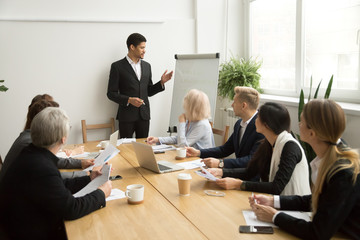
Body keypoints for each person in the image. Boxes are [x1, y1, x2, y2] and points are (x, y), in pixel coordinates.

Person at [249, 99, 360, 239]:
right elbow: (321, 200)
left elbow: (317, 233)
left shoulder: (343, 173)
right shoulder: (336, 151)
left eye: (301, 122)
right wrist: (273, 201)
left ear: (312, 133)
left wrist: (274, 216)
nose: (299, 125)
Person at [0, 107, 112, 239]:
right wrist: (101, 194)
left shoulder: (32, 153)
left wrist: (89, 179)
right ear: (63, 139)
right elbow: (71, 209)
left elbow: (57, 186)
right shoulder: (41, 167)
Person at [208, 102, 311, 196]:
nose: (255, 120)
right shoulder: (267, 143)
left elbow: (276, 187)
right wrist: (221, 172)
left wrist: (239, 184)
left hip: (293, 209)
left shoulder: (290, 147)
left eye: (258, 117)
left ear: (266, 124)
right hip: (274, 202)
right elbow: (250, 171)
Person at [2, 99, 94, 179]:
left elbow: (52, 161)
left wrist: (80, 163)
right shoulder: (29, 142)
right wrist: (86, 174)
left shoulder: (28, 137)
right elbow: (51, 176)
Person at [107, 33, 173, 138]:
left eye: (145, 47)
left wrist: (161, 83)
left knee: (143, 147)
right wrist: (129, 100)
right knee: (125, 148)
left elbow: (149, 91)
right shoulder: (117, 66)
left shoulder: (147, 66)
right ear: (132, 47)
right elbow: (111, 93)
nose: (144, 50)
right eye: (142, 47)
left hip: (144, 116)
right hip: (126, 117)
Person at [186, 86, 264, 168]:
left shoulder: (260, 127)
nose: (232, 105)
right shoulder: (238, 124)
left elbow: (251, 159)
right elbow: (225, 150)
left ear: (244, 106)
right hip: (237, 173)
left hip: (250, 177)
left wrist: (221, 163)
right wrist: (198, 152)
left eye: (234, 101)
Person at [146, 89, 215, 149]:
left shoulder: (202, 124)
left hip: (200, 160)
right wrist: (158, 139)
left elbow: (182, 146)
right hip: (190, 157)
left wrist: (182, 123)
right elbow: (179, 138)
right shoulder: (192, 119)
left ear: (191, 107)